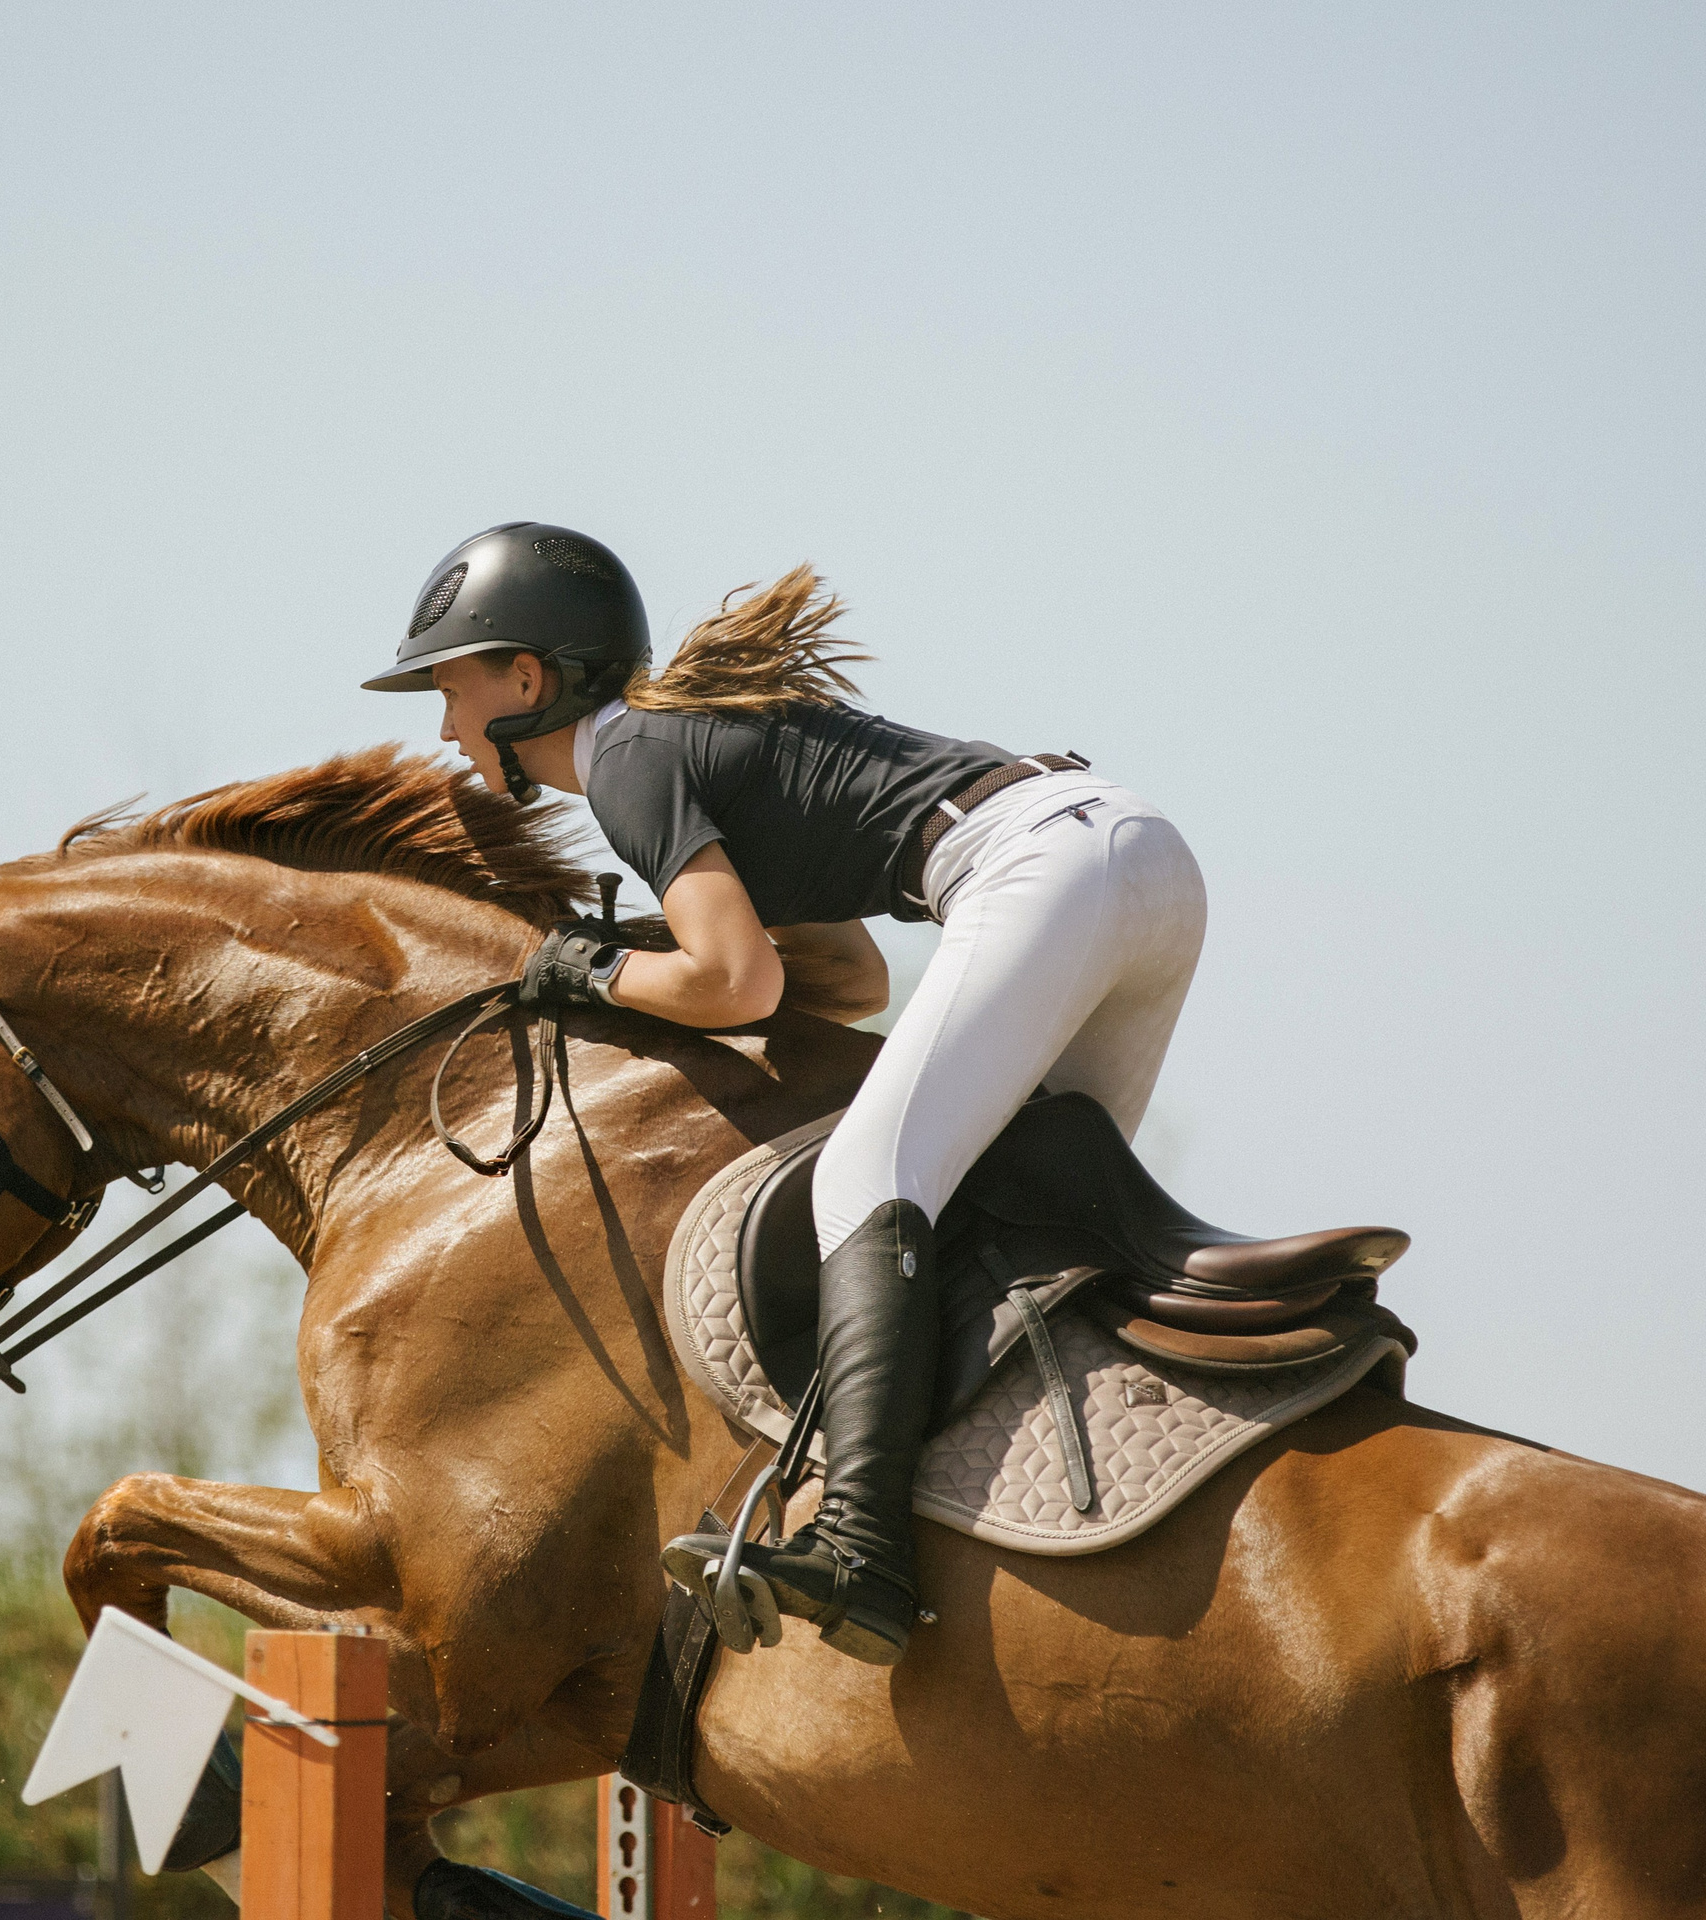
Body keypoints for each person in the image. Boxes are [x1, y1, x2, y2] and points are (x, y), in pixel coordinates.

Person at [361, 522, 1207, 1667]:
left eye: (451, 691)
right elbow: (847, 980)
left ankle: (861, 1550)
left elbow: (733, 979)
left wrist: (591, 970)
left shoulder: (626, 759)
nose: (446, 727)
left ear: (526, 680)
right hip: (1132, 858)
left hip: (1040, 868)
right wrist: (650, 960)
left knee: (867, 1178)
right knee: (1033, 1200)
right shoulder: (675, 750)